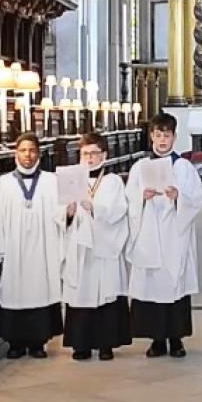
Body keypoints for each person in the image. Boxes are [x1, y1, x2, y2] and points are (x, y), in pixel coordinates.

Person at [126, 113, 202, 357]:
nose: (162, 140)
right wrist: (141, 197)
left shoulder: (183, 167)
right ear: (151, 137)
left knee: (174, 283)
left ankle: (176, 339)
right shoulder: (140, 167)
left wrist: (179, 196)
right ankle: (157, 339)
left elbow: (196, 198)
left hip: (174, 235)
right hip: (149, 232)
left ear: (174, 137)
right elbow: (129, 199)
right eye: (158, 135)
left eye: (166, 135)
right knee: (151, 286)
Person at [0, 132, 64, 358]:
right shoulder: (4, 183)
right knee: (13, 292)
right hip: (14, 249)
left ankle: (38, 343)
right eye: (23, 150)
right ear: (14, 154)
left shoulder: (50, 181)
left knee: (40, 291)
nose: (28, 155)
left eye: (32, 150)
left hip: (42, 249)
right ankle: (15, 343)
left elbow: (61, 214)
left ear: (39, 153)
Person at [61, 133, 130, 361]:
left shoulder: (112, 182)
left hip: (103, 246)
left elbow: (119, 211)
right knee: (81, 293)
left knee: (104, 293)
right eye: (85, 154)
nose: (89, 158)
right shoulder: (71, 179)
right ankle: (80, 344)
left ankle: (105, 344)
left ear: (104, 155)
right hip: (79, 247)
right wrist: (68, 213)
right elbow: (58, 215)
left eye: (94, 154)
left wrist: (95, 208)